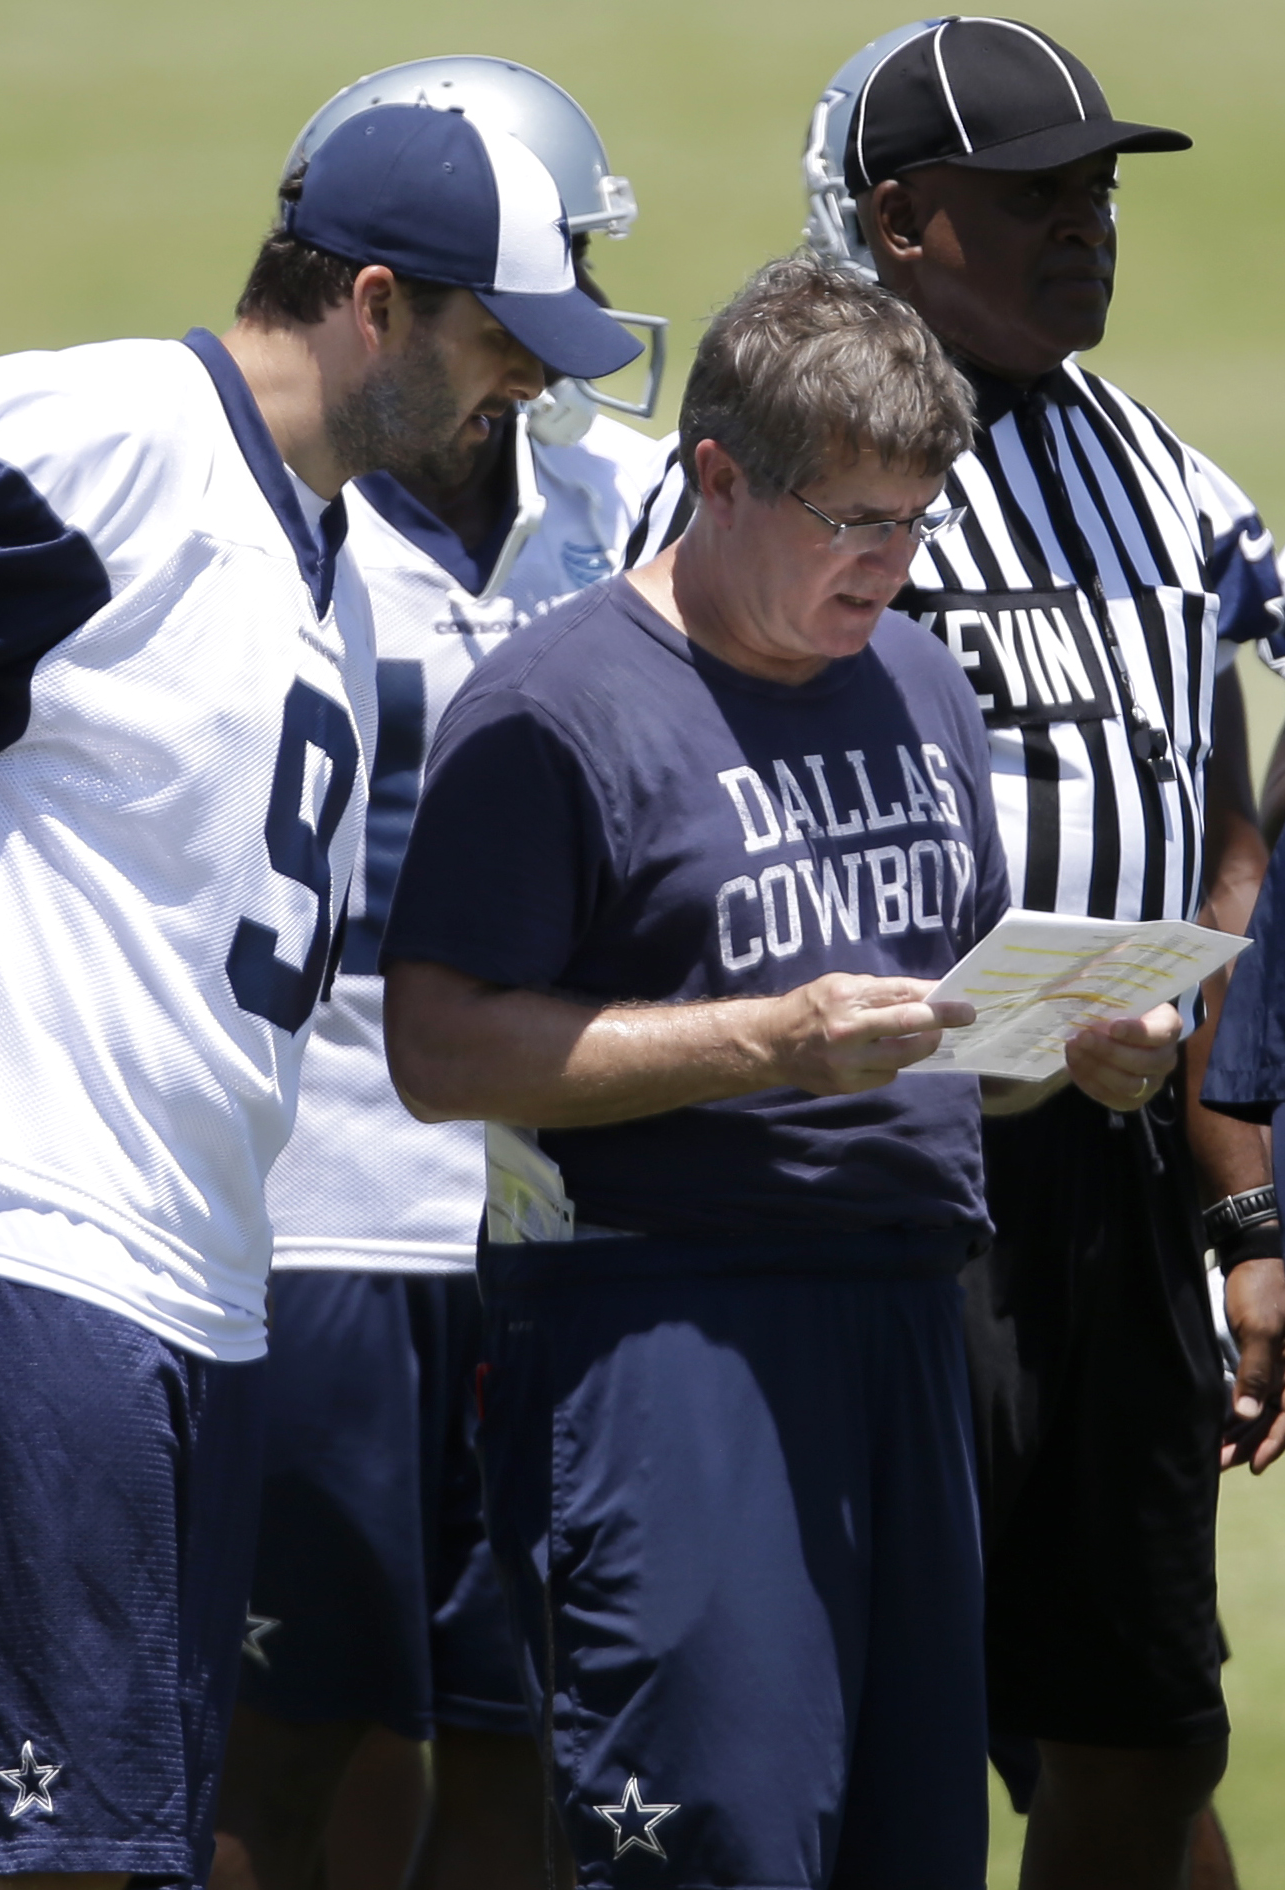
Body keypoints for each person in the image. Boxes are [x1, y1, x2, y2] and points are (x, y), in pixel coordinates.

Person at [0, 103, 639, 1890]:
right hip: (17, 1232)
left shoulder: (322, 543)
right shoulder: (112, 428)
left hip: (187, 1275)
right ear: (369, 302)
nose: (522, 388)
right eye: (498, 341)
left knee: (138, 1852)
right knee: (67, 1864)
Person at [381, 256, 1180, 1890]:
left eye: (914, 522)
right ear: (717, 476)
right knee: (717, 1840)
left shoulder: (918, 680)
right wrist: (766, 1041)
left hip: (907, 1315)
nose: (885, 568)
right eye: (848, 522)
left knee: (909, 1847)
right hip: (664, 1327)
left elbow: (936, 1044)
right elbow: (439, 1045)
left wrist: (1069, 1056)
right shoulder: (554, 708)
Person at [796, 20, 1285, 1889]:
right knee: (875, 1726)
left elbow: (1224, 842)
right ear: (902, 221)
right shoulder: (795, 463)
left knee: (1139, 1736)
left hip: (1110, 1169)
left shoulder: (1162, 470)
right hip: (883, 1173)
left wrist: (1242, 1206)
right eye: (1033, 197)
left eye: (1096, 192)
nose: (1086, 227)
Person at [211, 59, 671, 1890]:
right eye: (513, 308)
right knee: (288, 1743)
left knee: (526, 1735)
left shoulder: (636, 498)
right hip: (320, 1204)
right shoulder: (242, 500)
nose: (544, 356)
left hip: (565, 1207)